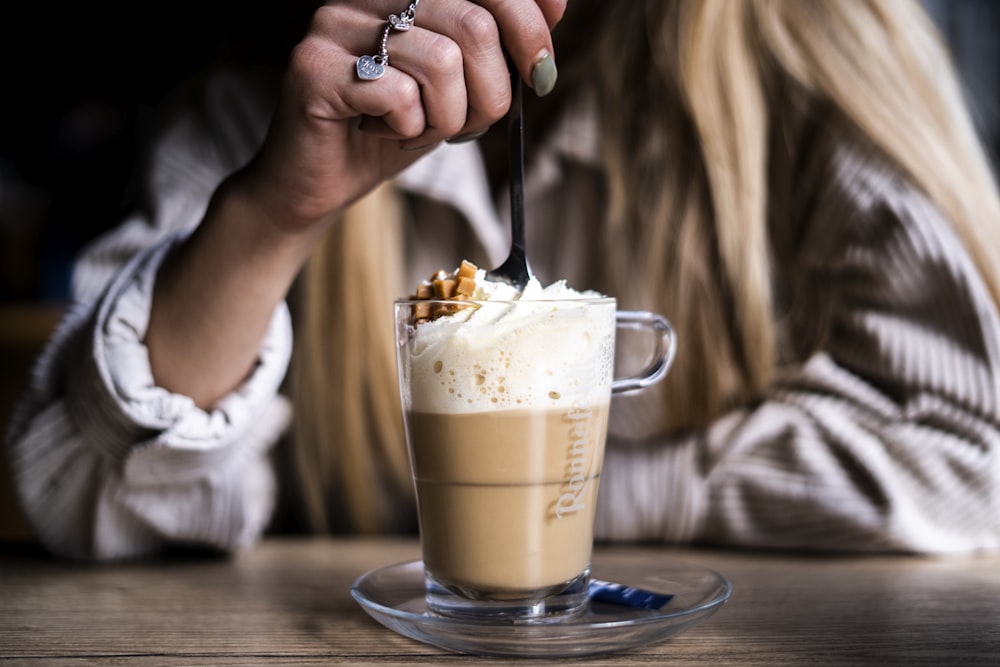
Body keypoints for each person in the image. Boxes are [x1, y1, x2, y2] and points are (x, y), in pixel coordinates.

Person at [5, 0, 1000, 560]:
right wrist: (271, 217)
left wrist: (548, 496)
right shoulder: (258, 104)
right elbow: (85, 494)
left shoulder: (807, 46)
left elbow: (967, 453)